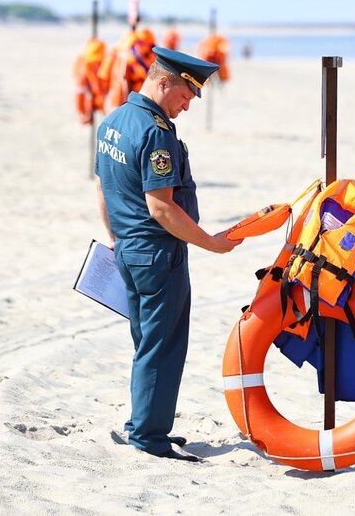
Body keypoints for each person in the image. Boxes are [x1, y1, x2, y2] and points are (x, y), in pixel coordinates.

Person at [94, 47, 242, 462]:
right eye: (186, 95)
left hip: (128, 249)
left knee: (146, 342)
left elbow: (102, 188)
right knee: (164, 344)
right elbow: (161, 207)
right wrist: (210, 242)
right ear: (164, 82)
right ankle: (149, 435)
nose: (187, 106)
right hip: (158, 253)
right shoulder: (154, 131)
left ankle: (142, 424)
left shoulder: (113, 121)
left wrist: (115, 236)